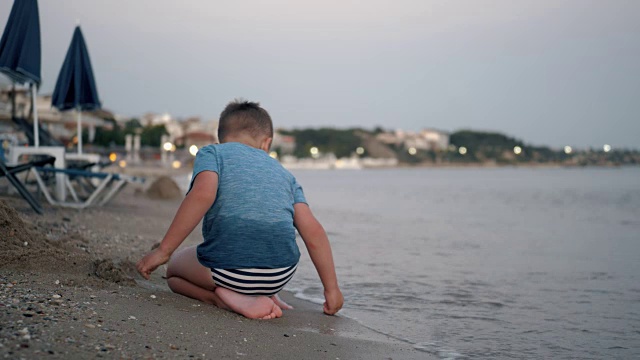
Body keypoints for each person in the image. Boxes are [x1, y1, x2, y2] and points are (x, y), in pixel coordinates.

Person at [136, 100, 343, 320]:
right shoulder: (285, 174)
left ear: (221, 138)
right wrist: (332, 289)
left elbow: (202, 195)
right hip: (280, 274)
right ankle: (263, 293)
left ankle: (220, 298)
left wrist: (164, 251)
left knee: (174, 273)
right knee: (254, 248)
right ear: (267, 143)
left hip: (229, 271)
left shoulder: (213, 154)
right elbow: (313, 232)